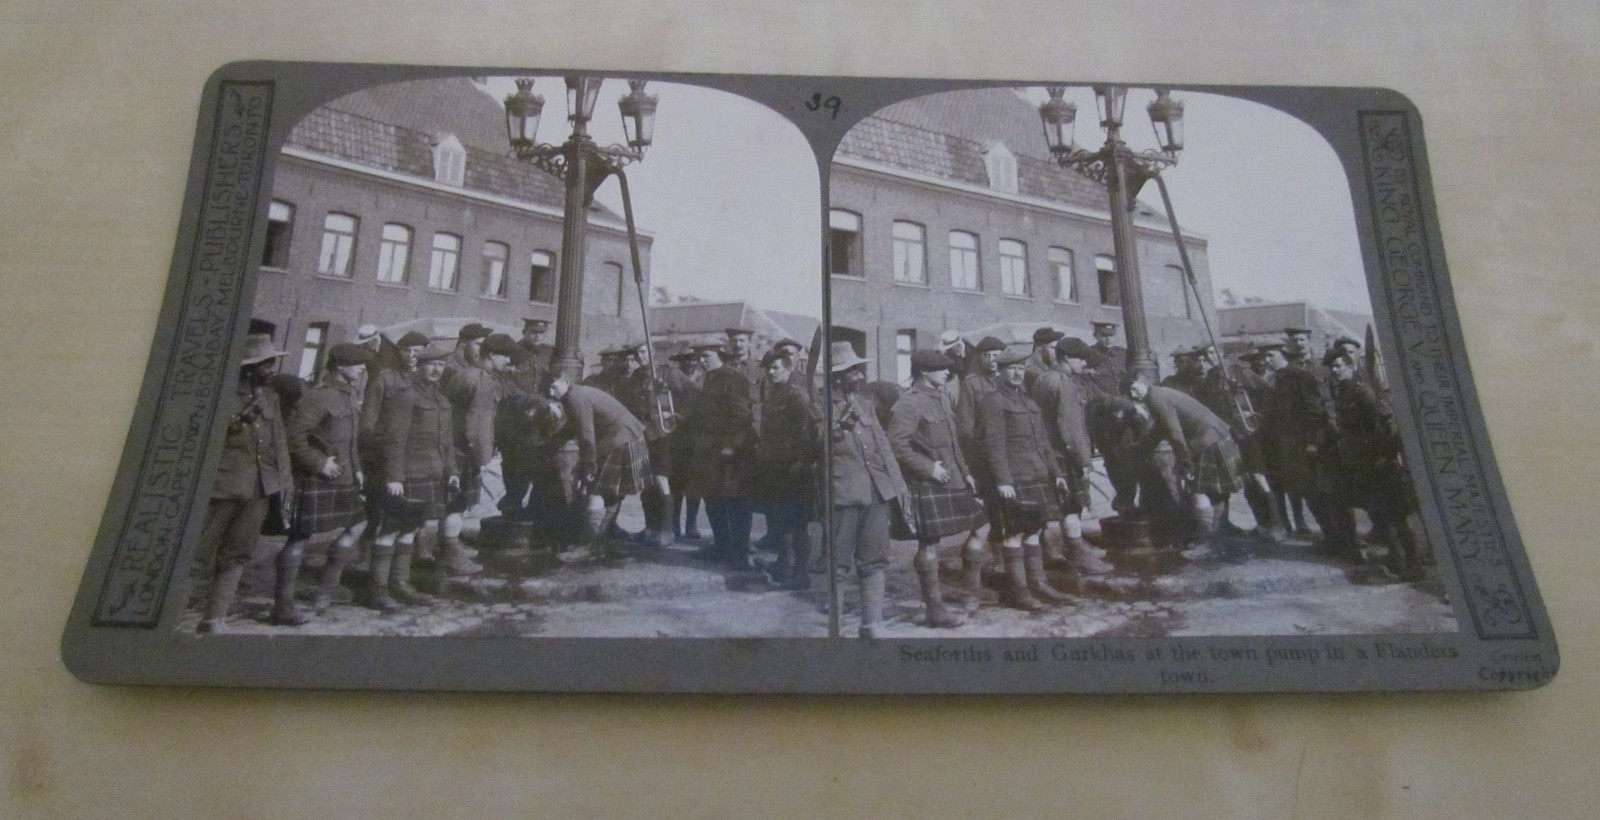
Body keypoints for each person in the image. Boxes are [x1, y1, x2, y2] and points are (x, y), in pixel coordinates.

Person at [194, 334, 294, 633]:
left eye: (272, 361)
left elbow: (279, 443)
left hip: (259, 490)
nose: (272, 367)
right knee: (196, 555)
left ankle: (214, 619)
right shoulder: (221, 395)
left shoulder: (271, 398)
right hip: (221, 488)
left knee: (238, 553)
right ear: (249, 367)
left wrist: (285, 483)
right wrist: (240, 417)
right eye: (266, 363)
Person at [887, 349, 988, 626]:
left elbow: (954, 442)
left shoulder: (941, 397)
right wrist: (929, 468)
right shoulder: (909, 404)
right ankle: (935, 609)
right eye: (942, 369)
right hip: (927, 482)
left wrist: (966, 473)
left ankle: (971, 594)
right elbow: (896, 446)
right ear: (923, 372)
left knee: (981, 528)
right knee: (929, 542)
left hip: (953, 478)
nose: (948, 373)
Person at [280, 343, 373, 622]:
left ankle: (326, 590)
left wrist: (357, 469)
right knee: (299, 537)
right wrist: (320, 463)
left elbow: (350, 438)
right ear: (340, 366)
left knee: (357, 523)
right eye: (358, 363)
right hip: (317, 477)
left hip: (344, 476)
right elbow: (294, 437)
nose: (363, 368)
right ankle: (283, 604)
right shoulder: (318, 397)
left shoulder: (348, 394)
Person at [979, 349, 1076, 610]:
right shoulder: (993, 401)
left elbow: (1044, 442)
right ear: (999, 372)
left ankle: (1039, 585)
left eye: (1021, 368)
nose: (1017, 372)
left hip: (1037, 475)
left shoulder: (1028, 400)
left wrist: (1056, 474)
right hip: (1014, 479)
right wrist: (1003, 480)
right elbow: (993, 446)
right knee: (1013, 534)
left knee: (1034, 531)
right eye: (1011, 368)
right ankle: (1019, 592)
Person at [828, 342, 909, 638]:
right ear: (837, 376)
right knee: (837, 564)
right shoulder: (820, 404)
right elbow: (816, 445)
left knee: (874, 558)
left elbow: (883, 446)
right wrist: (834, 430)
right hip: (843, 493)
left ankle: (871, 623)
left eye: (859, 369)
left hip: (876, 491)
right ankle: (833, 628)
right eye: (853, 370)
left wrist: (898, 486)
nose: (860, 375)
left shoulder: (865, 402)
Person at [371, 344, 459, 611]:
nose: (435, 370)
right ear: (418, 367)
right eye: (430, 365)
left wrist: (452, 471)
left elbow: (447, 442)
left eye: (440, 366)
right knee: (390, 530)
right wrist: (394, 476)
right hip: (407, 475)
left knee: (411, 529)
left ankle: (400, 583)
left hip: (431, 474)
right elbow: (394, 440)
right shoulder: (404, 397)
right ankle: (378, 591)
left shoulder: (441, 400)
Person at [1127, 374, 1248, 562]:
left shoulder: (1156, 398)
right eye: (1129, 392)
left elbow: (1174, 434)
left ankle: (1211, 544)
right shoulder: (1160, 394)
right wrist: (1142, 448)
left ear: (1143, 383)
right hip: (1217, 434)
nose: (1133, 394)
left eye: (1135, 388)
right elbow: (1161, 428)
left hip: (1208, 440)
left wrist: (1186, 463)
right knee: (1218, 492)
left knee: (1207, 492)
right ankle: (1218, 538)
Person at [1327, 351, 1423, 580]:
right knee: (1378, 515)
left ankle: (1412, 566)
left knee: (1395, 517)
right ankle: (1398, 560)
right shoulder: (1343, 392)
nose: (1334, 371)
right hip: (1361, 464)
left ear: (1350, 367)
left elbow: (1387, 428)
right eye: (1332, 367)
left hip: (1379, 465)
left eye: (1338, 366)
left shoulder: (1363, 393)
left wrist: (1385, 455)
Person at [547, 371, 652, 557]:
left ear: (565, 381)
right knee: (612, 490)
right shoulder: (574, 394)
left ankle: (594, 542)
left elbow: (586, 434)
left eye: (554, 386)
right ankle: (609, 528)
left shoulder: (575, 397)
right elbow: (572, 427)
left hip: (622, 438)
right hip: (626, 435)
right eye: (547, 388)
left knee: (601, 489)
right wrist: (547, 447)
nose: (551, 392)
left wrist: (589, 466)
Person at [682, 341, 756, 569]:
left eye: (706, 355)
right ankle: (722, 546)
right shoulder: (711, 378)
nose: (701, 360)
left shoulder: (733, 378)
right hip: (708, 450)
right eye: (699, 356)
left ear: (720, 356)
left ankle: (740, 554)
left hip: (729, 452)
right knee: (712, 499)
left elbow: (741, 415)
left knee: (734, 502)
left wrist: (731, 446)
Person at [753, 350, 818, 589]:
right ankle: (785, 565)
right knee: (779, 520)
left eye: (776, 368)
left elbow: (807, 433)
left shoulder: (797, 396)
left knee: (797, 523)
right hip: (774, 467)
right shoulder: (773, 394)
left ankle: (800, 574)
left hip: (794, 469)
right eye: (768, 368)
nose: (770, 372)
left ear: (789, 369)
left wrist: (802, 461)